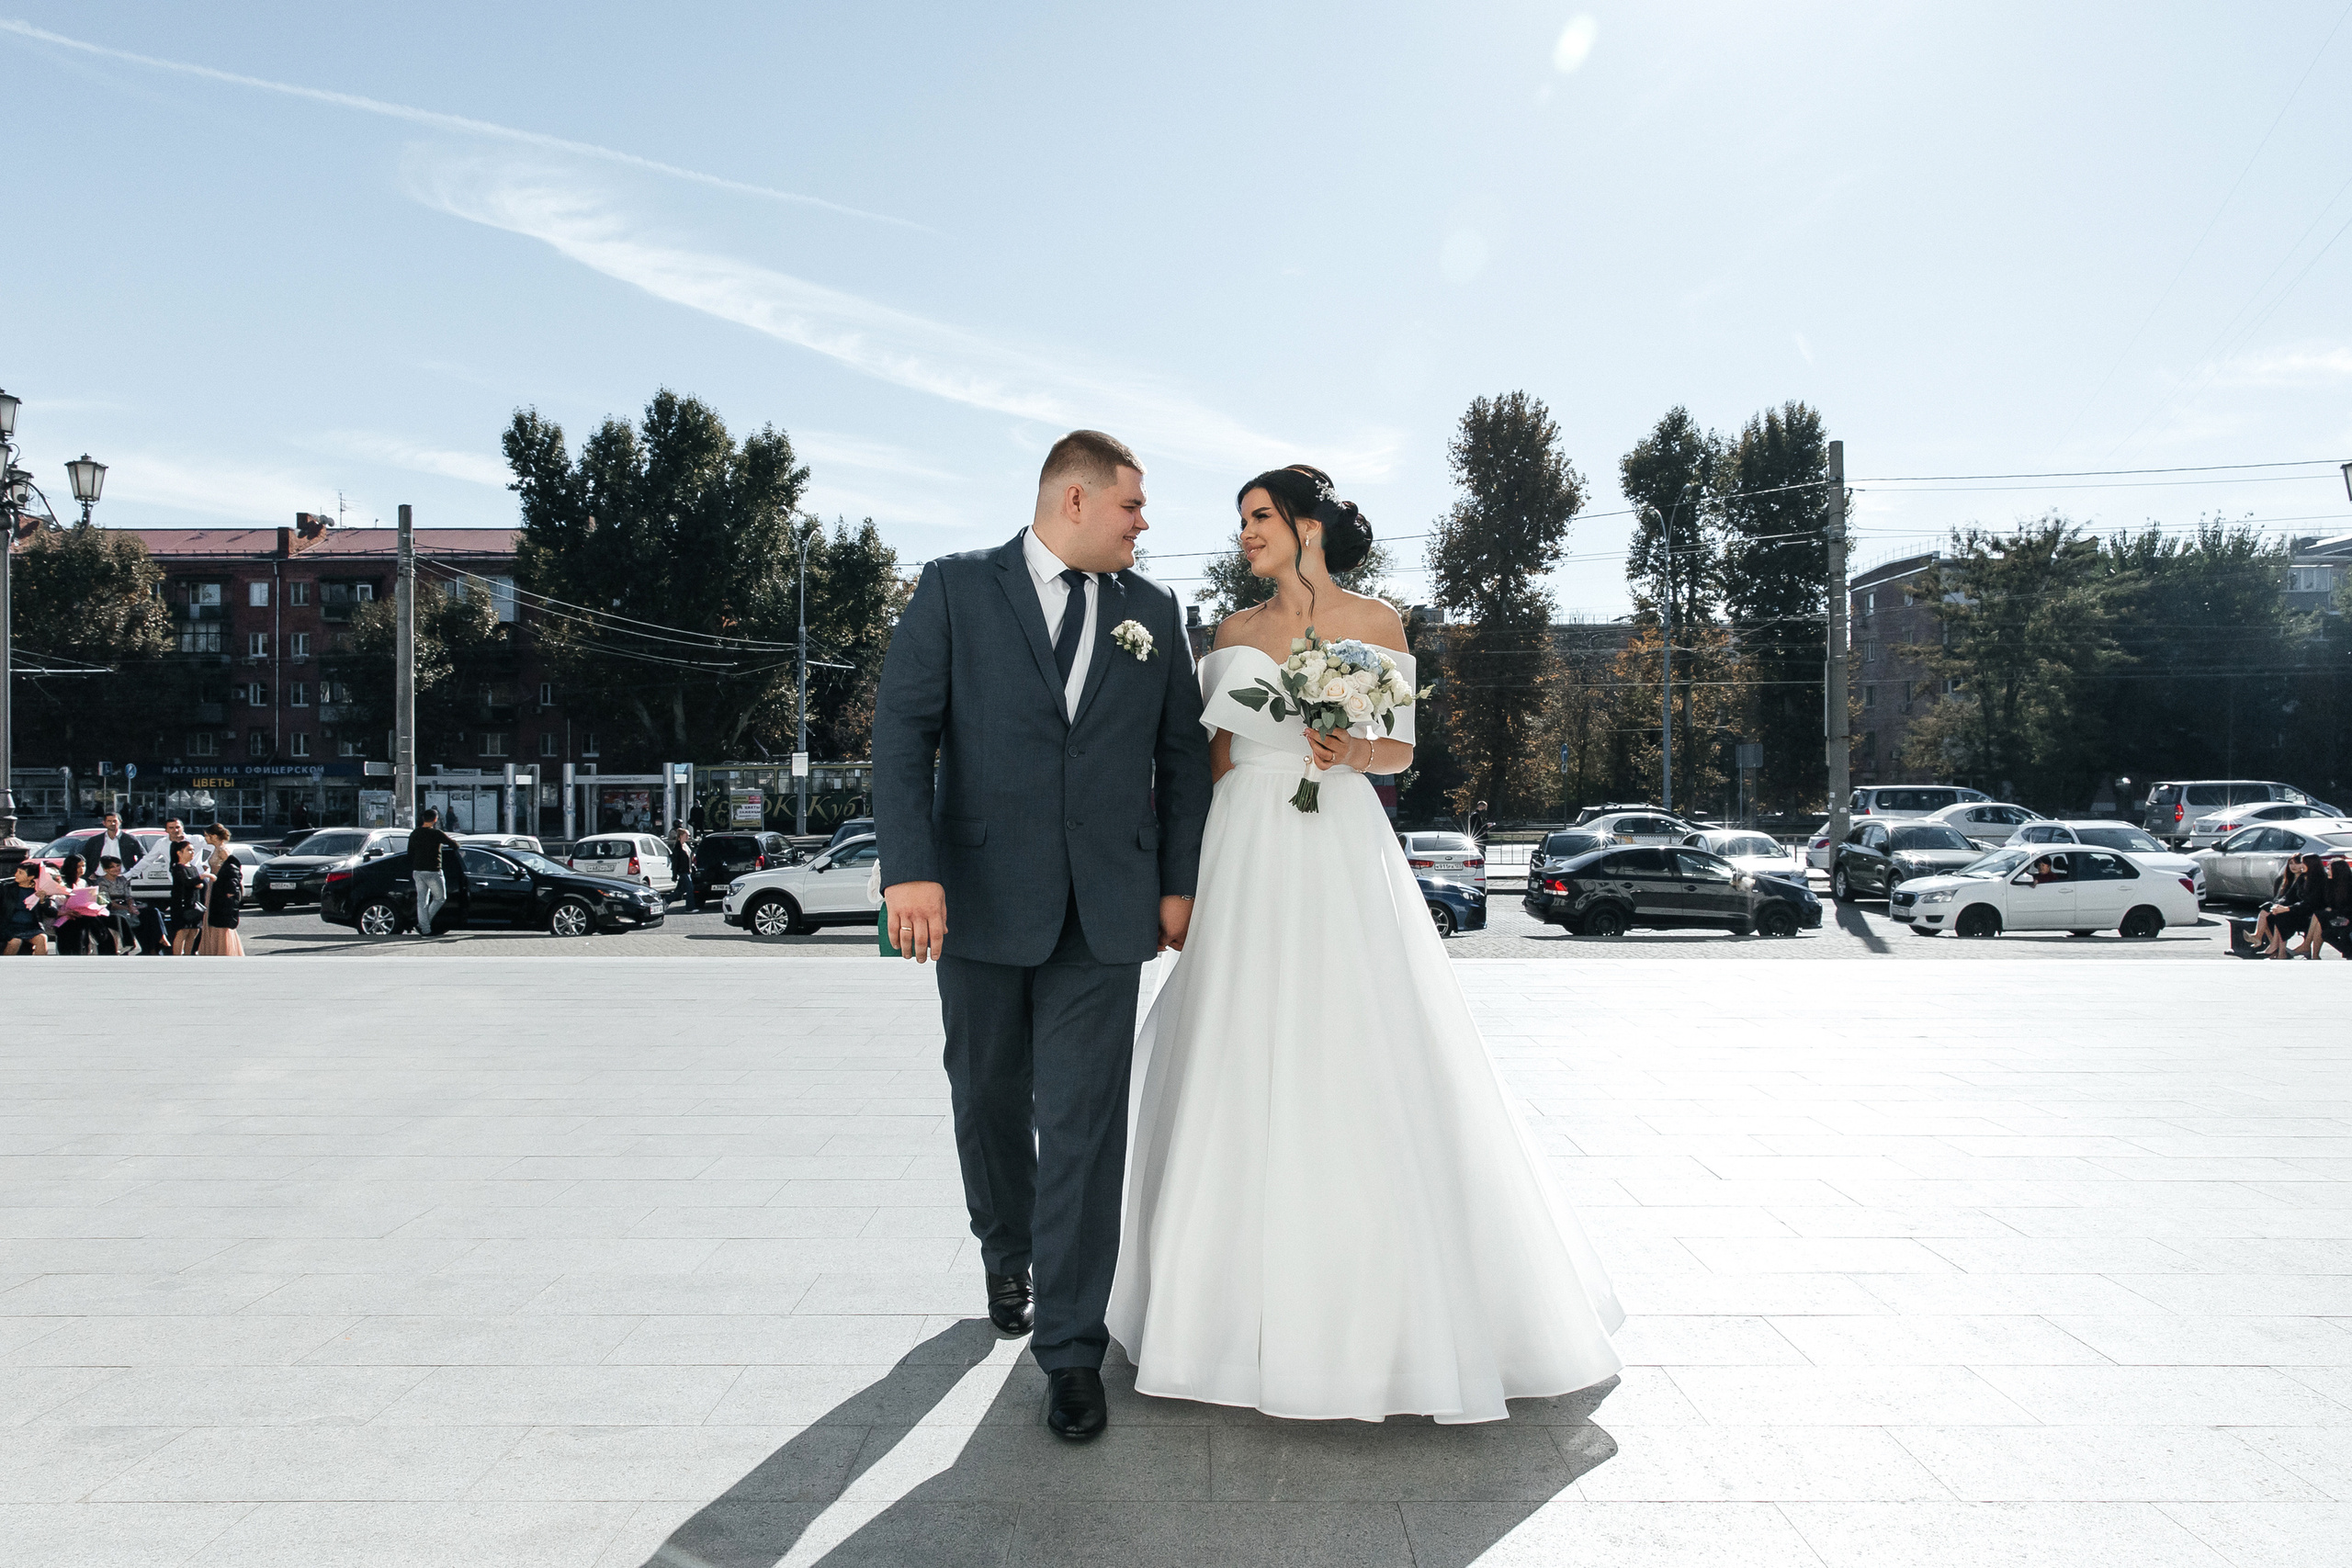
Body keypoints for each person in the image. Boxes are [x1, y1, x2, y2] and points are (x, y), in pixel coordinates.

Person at [1106, 463, 1623, 1426]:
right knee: (1233, 1044)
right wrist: (1189, 879)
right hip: (1243, 843)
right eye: (1243, 520)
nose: (1246, 534)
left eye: (1259, 517)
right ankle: (1210, 1316)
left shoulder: (1378, 623)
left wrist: (1351, 747)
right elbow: (1212, 761)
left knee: (1356, 1045)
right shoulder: (1227, 633)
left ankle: (1378, 1319)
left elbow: (1400, 748)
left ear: (1306, 527)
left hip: (1338, 842)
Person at [872, 428, 1213, 1443]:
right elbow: (903, 734)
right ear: (1074, 500)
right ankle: (1004, 1247)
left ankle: (1070, 1348)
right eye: (1132, 507)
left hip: (1105, 914)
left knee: (1082, 1126)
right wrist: (910, 869)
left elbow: (1180, 761)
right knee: (984, 1094)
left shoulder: (1153, 613)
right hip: (972, 898)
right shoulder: (952, 589)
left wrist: (1177, 885)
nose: (1144, 525)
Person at [196, 823, 245, 956]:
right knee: (212, 914)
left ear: (214, 836)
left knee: (219, 915)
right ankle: (212, 948)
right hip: (214, 886)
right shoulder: (216, 849)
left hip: (220, 887)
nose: (205, 838)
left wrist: (230, 890)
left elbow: (233, 870)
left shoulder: (223, 850)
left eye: (207, 835)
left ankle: (222, 949)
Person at [408, 807, 457, 938]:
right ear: (435, 819)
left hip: (418, 871)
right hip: (433, 871)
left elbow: (410, 852)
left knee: (422, 901)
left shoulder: (415, 833)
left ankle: (425, 929)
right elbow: (454, 845)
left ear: (423, 819)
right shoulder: (436, 834)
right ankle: (424, 925)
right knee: (440, 898)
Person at [4, 860, 53, 954]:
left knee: (42, 938)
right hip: (11, 926)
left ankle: (40, 968)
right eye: (17, 871)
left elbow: (51, 912)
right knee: (15, 941)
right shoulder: (7, 889)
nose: (16, 874)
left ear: (30, 877)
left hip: (31, 927)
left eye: (21, 873)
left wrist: (42, 901)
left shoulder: (39, 890)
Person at [93, 855, 138, 955]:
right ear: (105, 869)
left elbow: (128, 896)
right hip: (111, 908)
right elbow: (107, 902)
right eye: (112, 867)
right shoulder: (101, 882)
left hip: (126, 905)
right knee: (122, 916)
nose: (116, 869)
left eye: (118, 865)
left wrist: (131, 906)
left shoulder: (122, 879)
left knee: (151, 912)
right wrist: (127, 909)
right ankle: (127, 943)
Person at [167, 840, 205, 954]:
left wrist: (199, 882)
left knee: (194, 931)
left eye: (193, 850)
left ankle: (188, 954)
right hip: (181, 904)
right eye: (189, 850)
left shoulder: (193, 867)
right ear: (179, 852)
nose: (192, 852)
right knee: (182, 931)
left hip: (193, 903)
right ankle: (177, 956)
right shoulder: (178, 868)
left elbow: (197, 884)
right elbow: (187, 882)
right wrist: (202, 877)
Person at [669, 825, 698, 911]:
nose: (688, 837)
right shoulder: (678, 848)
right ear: (681, 836)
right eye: (687, 835)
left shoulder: (686, 845)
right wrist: (674, 875)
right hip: (682, 871)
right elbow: (675, 862)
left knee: (681, 890)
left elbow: (690, 857)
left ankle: (666, 900)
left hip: (687, 870)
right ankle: (690, 908)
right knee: (690, 888)